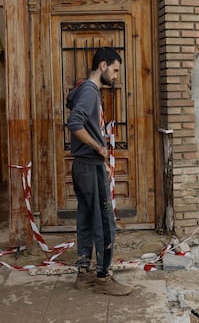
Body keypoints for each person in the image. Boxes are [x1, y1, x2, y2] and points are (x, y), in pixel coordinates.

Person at [66, 47, 132, 296]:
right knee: (105, 222)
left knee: (85, 217)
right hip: (90, 164)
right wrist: (98, 147)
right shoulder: (90, 92)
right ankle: (103, 277)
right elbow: (74, 123)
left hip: (81, 165)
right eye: (115, 70)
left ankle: (83, 274)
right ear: (103, 66)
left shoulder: (83, 90)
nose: (116, 76)